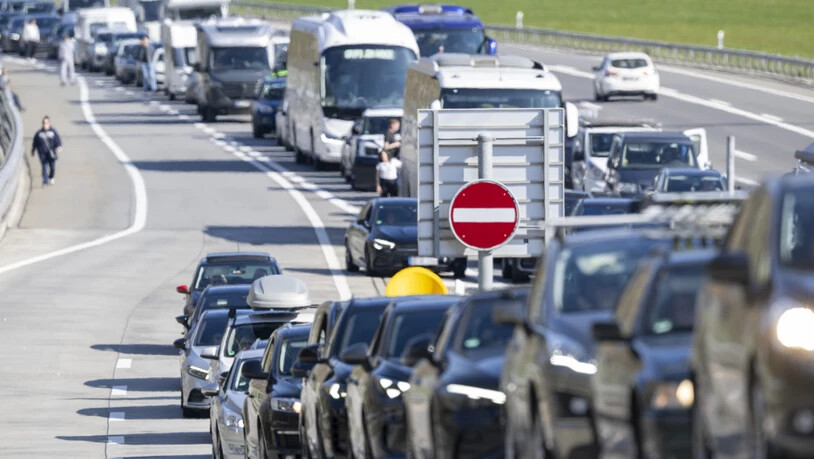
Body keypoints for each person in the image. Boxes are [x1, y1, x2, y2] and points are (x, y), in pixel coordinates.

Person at [31, 116, 62, 186]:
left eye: (46, 123)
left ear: (49, 123)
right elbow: (35, 142)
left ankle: (51, 176)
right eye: (44, 123)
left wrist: (59, 146)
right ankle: (45, 181)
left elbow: (58, 140)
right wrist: (33, 150)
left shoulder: (53, 132)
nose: (45, 124)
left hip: (51, 153)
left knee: (52, 167)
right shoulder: (39, 133)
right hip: (42, 153)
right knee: (44, 167)